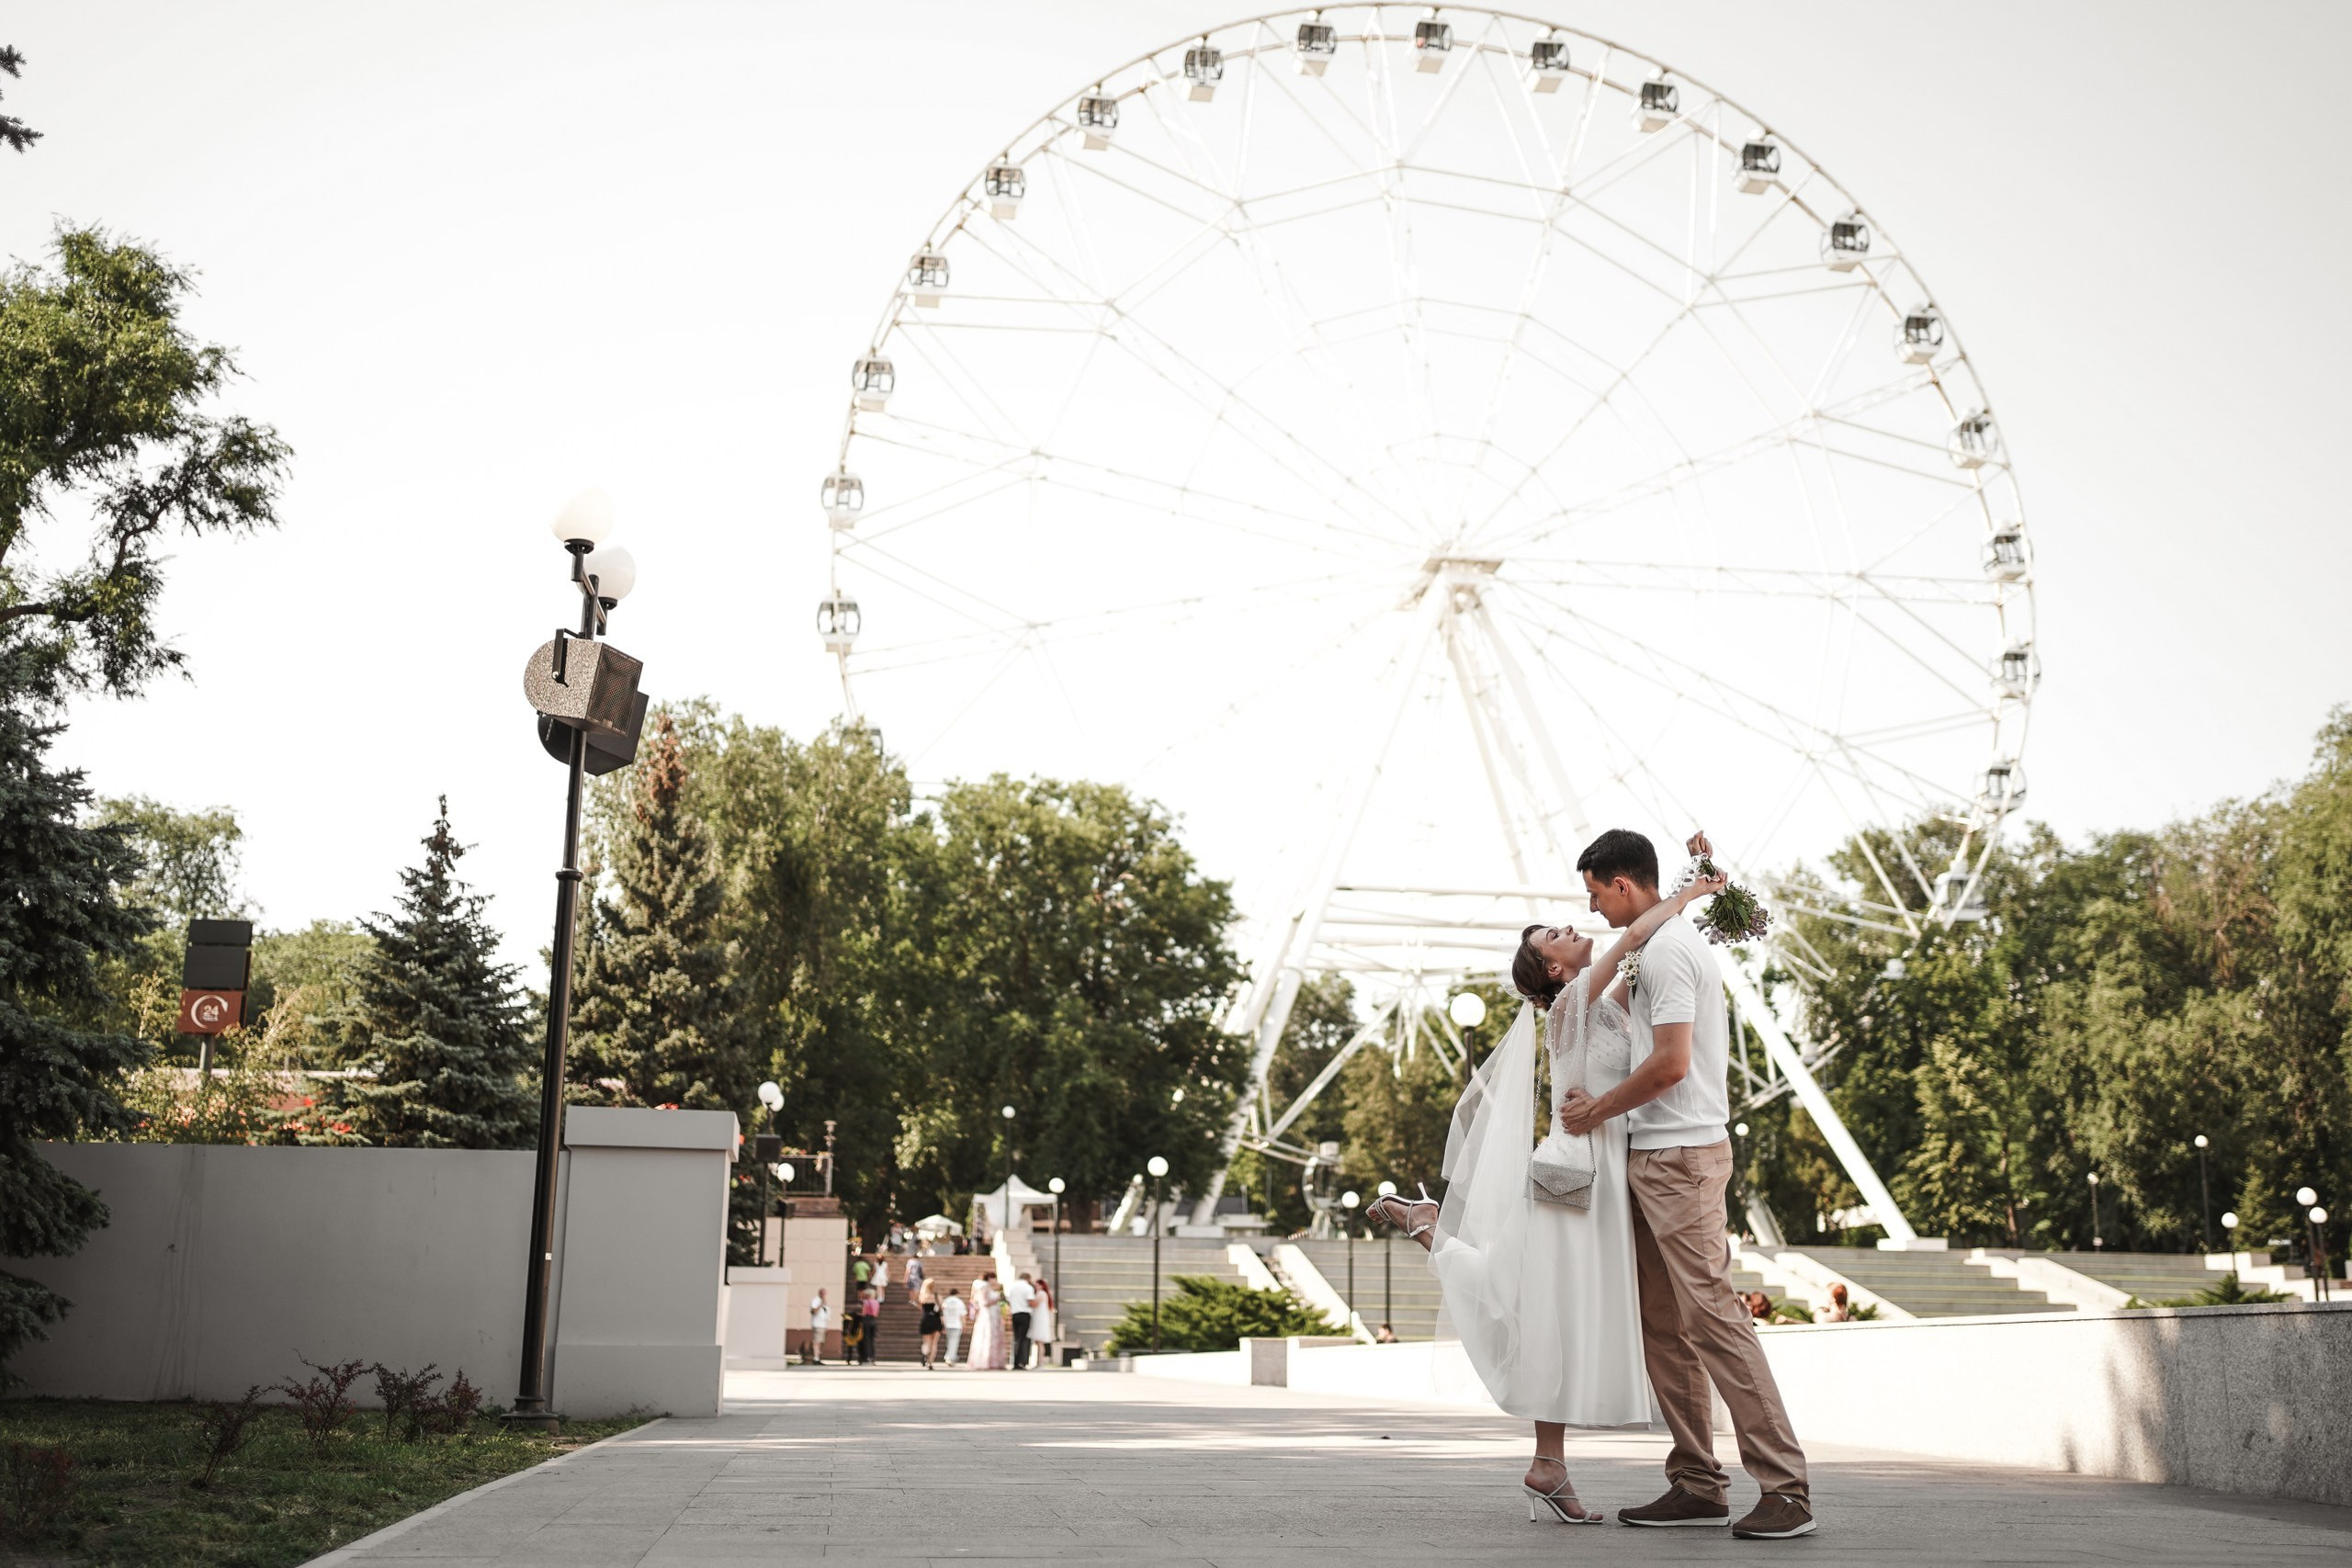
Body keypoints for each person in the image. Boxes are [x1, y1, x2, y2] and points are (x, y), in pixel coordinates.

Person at [1367, 858, 1724, 1526]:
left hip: (1591, 1170)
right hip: (1573, 1172)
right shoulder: (1573, 999)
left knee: (1547, 1305)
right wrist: (1694, 890)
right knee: (1543, 1307)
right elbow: (1640, 932)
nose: (1569, 924)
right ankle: (1434, 1231)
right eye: (1552, 936)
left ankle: (1549, 1463)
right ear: (1555, 971)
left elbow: (1641, 961)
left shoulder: (1592, 1002)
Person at [1557, 828, 1815, 1540]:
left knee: (1713, 1320)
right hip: (1649, 1155)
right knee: (1664, 1329)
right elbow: (1641, 940)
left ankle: (1787, 1487)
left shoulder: (1669, 953)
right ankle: (1698, 1480)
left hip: (1683, 1157)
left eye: (1594, 893)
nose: (1593, 908)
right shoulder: (1651, 943)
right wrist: (1698, 884)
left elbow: (1671, 1063)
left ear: (1620, 883)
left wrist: (1596, 1113)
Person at [966, 1277, 1005, 1370]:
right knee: (987, 1337)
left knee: (993, 1338)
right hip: (988, 1316)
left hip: (994, 1316)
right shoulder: (984, 1287)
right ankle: (985, 1361)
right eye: (994, 1278)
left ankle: (994, 1361)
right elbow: (984, 1302)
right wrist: (997, 1299)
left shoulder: (991, 1289)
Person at [1006, 1272, 1036, 1370]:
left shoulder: (1013, 1287)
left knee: (1016, 1338)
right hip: (1024, 1314)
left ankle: (1015, 1361)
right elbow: (1031, 1302)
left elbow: (1009, 1301)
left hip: (1015, 1314)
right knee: (1023, 1339)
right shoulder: (1028, 1288)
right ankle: (1021, 1362)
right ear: (1028, 1278)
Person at [1028, 1277, 1057, 1369]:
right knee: (1039, 1342)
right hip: (1040, 1319)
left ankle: (1040, 1363)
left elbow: (1034, 1304)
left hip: (1040, 1320)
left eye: (1038, 1285)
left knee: (1040, 1342)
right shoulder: (1043, 1294)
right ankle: (1039, 1362)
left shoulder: (1041, 1294)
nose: (1036, 1286)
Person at [918, 1281, 945, 1369]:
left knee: (926, 1342)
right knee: (934, 1343)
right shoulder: (937, 1297)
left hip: (926, 1319)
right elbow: (942, 1309)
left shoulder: (922, 1297)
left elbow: (921, 1308)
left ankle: (925, 1354)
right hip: (936, 1320)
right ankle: (930, 1362)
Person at [940, 1281, 967, 1367]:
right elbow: (962, 1315)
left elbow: (942, 1314)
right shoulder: (959, 1302)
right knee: (954, 1342)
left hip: (947, 1324)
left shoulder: (945, 1301)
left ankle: (949, 1356)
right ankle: (950, 1357)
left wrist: (942, 1325)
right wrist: (964, 1325)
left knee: (949, 1341)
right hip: (957, 1324)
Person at [806, 1286, 831, 1366]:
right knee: (816, 1342)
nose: (824, 1295)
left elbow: (826, 1315)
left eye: (825, 1293)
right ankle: (815, 1358)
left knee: (820, 1342)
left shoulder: (825, 1303)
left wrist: (827, 1326)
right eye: (823, 1293)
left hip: (823, 1325)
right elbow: (814, 1311)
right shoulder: (815, 1301)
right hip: (817, 1324)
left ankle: (817, 1357)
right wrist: (821, 1304)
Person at [857, 1283, 881, 1364]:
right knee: (871, 1340)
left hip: (866, 1321)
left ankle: (866, 1356)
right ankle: (872, 1357)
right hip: (873, 1321)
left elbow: (863, 1313)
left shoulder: (866, 1302)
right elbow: (876, 1314)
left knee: (866, 1339)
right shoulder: (876, 1302)